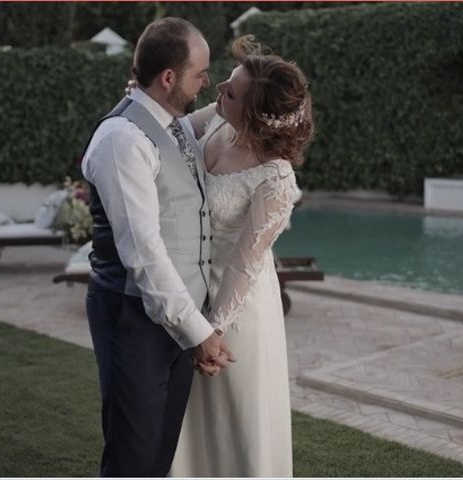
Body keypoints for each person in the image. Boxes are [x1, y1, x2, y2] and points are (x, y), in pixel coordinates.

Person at [81, 18, 234, 477]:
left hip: (173, 317)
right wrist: (201, 333)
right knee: (133, 457)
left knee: (160, 455)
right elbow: (144, 254)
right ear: (168, 78)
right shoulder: (122, 140)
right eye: (200, 74)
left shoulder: (178, 126)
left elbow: (228, 107)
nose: (207, 82)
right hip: (131, 317)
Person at [170, 35, 315, 477]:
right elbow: (168, 129)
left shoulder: (275, 180)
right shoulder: (215, 121)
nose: (218, 91)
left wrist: (211, 332)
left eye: (230, 92)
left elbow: (244, 265)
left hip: (238, 310)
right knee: (189, 423)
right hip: (190, 288)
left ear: (253, 115)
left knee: (235, 418)